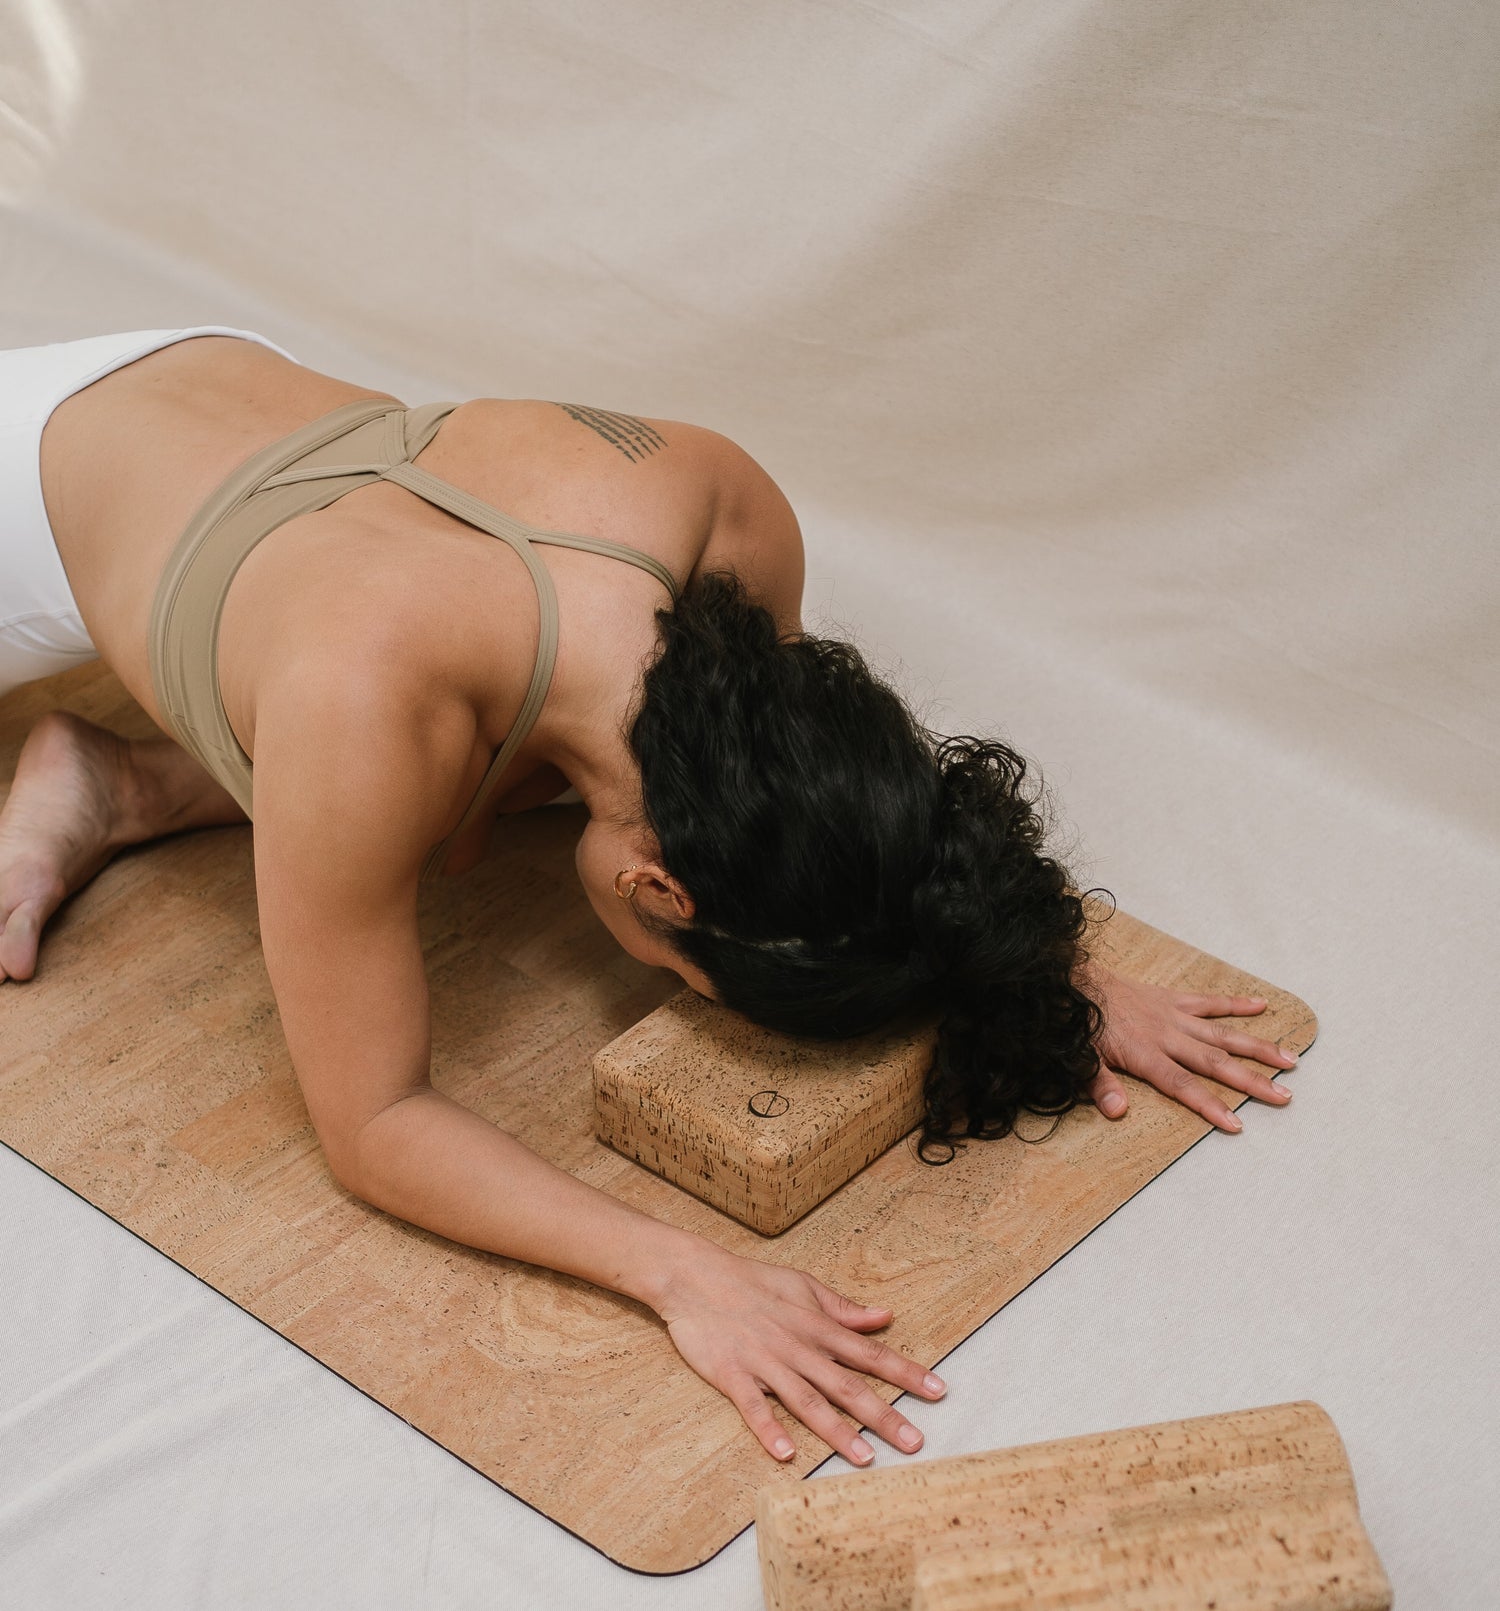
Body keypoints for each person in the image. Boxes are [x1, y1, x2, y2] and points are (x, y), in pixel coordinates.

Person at [0, 326, 1296, 1468]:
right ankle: (118, 779)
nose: (662, 977)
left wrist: (1027, 954)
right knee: (394, 776)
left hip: (193, 374)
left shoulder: (713, 503)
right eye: (681, 969)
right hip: (26, 501)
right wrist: (686, 1277)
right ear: (654, 886)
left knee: (502, 760)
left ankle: (115, 784)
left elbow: (817, 778)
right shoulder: (363, 711)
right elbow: (373, 1120)